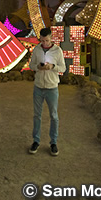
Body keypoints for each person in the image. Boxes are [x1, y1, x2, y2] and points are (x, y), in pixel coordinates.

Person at [28, 27, 65, 156]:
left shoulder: (57, 50)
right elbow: (31, 65)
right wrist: (37, 67)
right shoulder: (37, 50)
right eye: (42, 41)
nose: (44, 43)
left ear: (51, 38)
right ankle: (36, 140)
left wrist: (52, 67)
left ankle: (53, 142)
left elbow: (63, 68)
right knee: (37, 115)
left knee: (53, 115)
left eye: (47, 40)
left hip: (52, 87)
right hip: (38, 86)